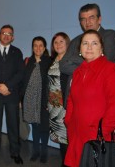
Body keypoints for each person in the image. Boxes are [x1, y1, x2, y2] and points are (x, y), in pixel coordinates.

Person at [64, 30, 115, 166]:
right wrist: (69, 121)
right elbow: (71, 100)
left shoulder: (111, 69)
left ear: (101, 48)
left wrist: (101, 134)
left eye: (94, 43)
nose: (89, 47)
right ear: (80, 49)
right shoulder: (78, 72)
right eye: (85, 43)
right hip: (76, 134)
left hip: (97, 136)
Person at [59, 3, 115, 99]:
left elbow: (105, 63)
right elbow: (63, 65)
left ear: (99, 19)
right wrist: (89, 64)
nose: (87, 22)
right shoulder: (75, 41)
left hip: (99, 97)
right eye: (83, 19)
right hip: (75, 98)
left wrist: (75, 60)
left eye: (91, 17)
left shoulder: (109, 35)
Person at [0, 24, 24, 165]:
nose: (6, 35)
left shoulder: (17, 52)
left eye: (9, 34)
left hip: (12, 94)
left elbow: (20, 73)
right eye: (4, 33)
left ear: (12, 37)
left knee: (13, 125)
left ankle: (15, 152)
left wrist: (8, 86)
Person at [21, 36, 52, 163]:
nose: (38, 48)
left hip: (43, 101)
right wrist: (20, 99)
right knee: (35, 127)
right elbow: (23, 82)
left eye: (40, 45)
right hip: (30, 100)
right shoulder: (27, 61)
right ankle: (35, 151)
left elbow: (53, 84)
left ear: (44, 48)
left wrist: (50, 102)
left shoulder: (49, 62)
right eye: (35, 45)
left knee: (44, 128)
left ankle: (44, 152)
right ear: (32, 47)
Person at [47, 32, 70, 166]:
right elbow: (49, 84)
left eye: (61, 41)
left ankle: (67, 163)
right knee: (61, 138)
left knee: (66, 137)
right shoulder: (53, 60)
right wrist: (47, 102)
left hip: (65, 106)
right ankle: (65, 161)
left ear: (67, 43)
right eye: (56, 42)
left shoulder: (70, 61)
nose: (58, 44)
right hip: (53, 106)